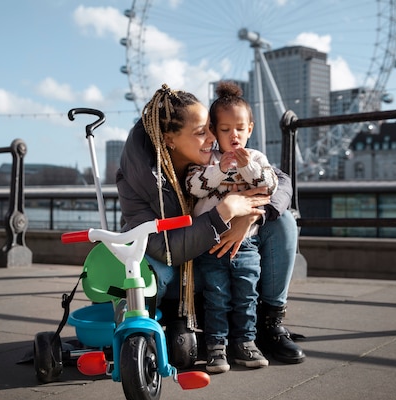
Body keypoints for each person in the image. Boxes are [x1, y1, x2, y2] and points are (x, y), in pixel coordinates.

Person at [116, 84, 305, 366]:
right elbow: (162, 248)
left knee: (284, 221)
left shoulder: (221, 150)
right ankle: (172, 320)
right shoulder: (141, 176)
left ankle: (269, 323)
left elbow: (280, 181)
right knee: (154, 269)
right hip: (179, 261)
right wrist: (225, 211)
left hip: (231, 247)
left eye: (210, 129)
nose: (213, 137)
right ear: (170, 140)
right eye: (202, 132)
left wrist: (250, 215)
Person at [185, 81, 276, 373]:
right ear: (213, 131)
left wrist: (247, 167)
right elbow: (195, 187)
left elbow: (268, 186)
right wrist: (220, 169)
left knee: (247, 294)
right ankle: (216, 346)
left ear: (250, 128)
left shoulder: (258, 158)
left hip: (247, 243)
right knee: (217, 295)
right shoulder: (206, 161)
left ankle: (246, 342)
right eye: (224, 130)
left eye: (239, 128)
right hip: (210, 243)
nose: (233, 135)